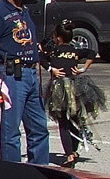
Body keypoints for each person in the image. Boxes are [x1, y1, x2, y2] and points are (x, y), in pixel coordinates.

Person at [0, 0, 50, 164]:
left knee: (39, 127)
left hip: (30, 74)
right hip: (12, 74)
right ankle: (13, 172)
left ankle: (40, 169)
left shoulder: (24, 11)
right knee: (11, 129)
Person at [42, 19, 106, 168]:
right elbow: (91, 52)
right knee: (76, 119)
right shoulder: (75, 51)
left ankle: (69, 153)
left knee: (63, 122)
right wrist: (84, 68)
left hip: (60, 89)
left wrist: (51, 69)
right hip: (75, 87)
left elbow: (40, 56)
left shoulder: (54, 51)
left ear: (58, 38)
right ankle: (74, 151)